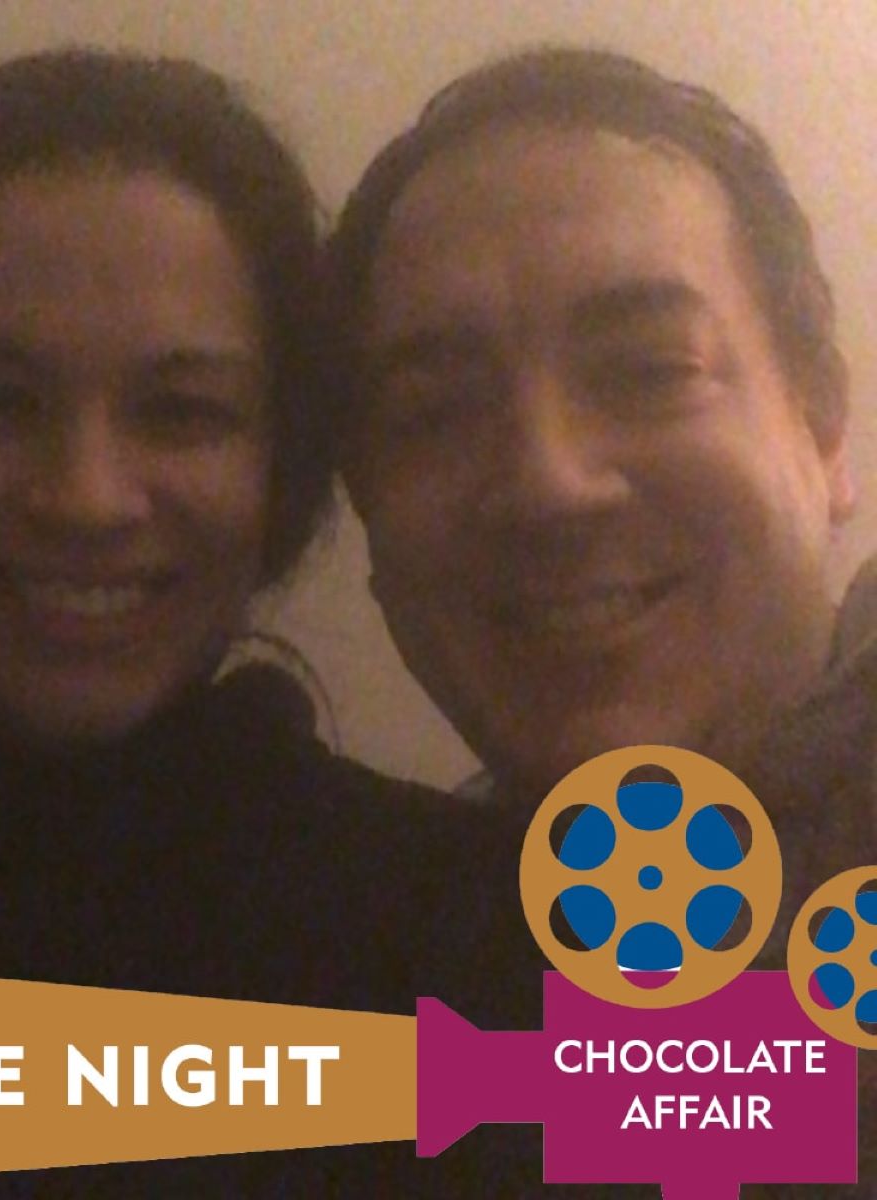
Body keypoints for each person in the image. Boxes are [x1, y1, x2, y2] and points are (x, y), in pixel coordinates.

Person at [0, 48, 489, 1197]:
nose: (87, 497)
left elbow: (755, 1120)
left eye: (182, 411)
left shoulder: (461, 932)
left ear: (283, 470)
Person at [330, 46, 876, 1196]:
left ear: (824, 424)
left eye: (647, 370)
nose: (548, 483)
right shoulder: (394, 953)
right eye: (436, 412)